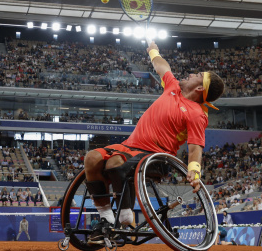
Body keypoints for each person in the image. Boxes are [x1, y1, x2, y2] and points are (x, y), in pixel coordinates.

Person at [83, 41, 225, 244]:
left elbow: (195, 148)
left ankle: (124, 219)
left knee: (115, 163)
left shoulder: (196, 114)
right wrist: (152, 50)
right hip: (129, 147)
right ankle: (106, 220)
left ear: (201, 87)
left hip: (155, 156)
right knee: (92, 158)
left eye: (198, 75)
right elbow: (162, 66)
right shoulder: (173, 87)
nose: (192, 74)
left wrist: (194, 171)